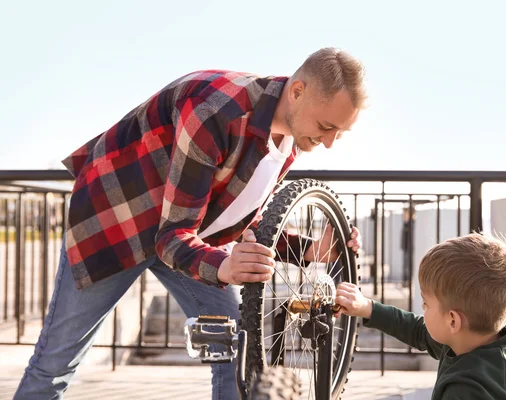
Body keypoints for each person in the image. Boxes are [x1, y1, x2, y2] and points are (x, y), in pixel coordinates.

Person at [15, 47, 366, 400]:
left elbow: (241, 215)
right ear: (297, 91)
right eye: (326, 126)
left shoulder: (290, 140)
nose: (330, 143)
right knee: (57, 363)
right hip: (116, 222)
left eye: (341, 132)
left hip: (186, 240)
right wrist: (225, 266)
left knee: (238, 357)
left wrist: (310, 249)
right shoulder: (215, 109)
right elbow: (171, 236)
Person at [335, 233, 506, 399]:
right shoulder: (495, 345)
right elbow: (418, 331)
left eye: (426, 304)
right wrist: (366, 307)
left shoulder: (466, 388)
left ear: (453, 321)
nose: (423, 310)